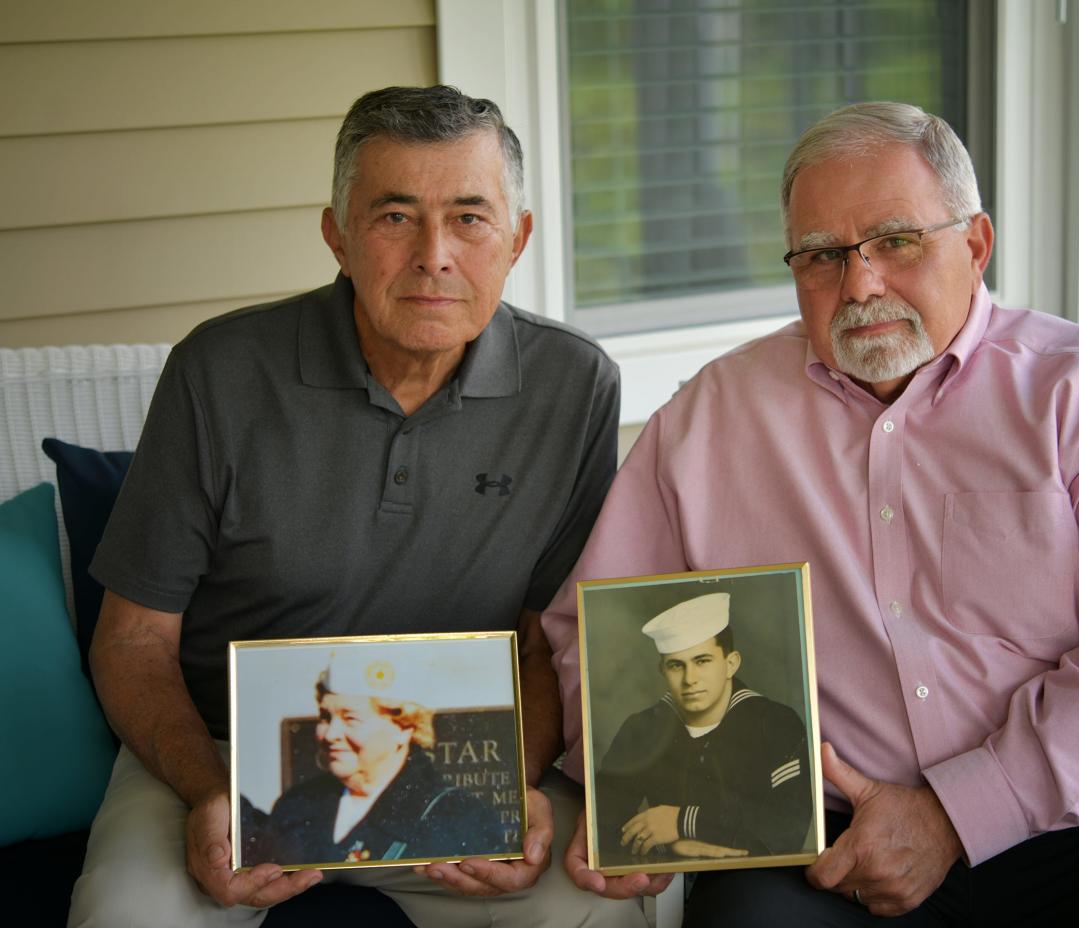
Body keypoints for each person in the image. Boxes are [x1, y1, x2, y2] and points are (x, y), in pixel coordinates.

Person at [542, 101, 1079, 926]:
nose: (861, 283)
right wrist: (636, 793)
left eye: (898, 241)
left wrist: (956, 814)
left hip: (1072, 818)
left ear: (975, 244)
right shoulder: (708, 419)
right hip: (820, 841)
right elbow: (598, 637)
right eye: (821, 256)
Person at [71, 85, 645, 928]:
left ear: (517, 238)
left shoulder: (576, 385)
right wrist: (209, 792)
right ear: (337, 235)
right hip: (223, 755)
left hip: (458, 761)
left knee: (586, 910)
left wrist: (509, 787)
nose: (435, 255)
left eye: (470, 218)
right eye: (395, 217)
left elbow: (542, 641)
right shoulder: (218, 373)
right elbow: (131, 639)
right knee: (130, 917)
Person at [593, 592, 813, 868]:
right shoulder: (642, 728)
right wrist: (671, 848)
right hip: (662, 886)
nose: (690, 679)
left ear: (730, 664)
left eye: (702, 661)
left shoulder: (775, 723)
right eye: (676, 665)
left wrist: (683, 822)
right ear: (662, 670)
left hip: (760, 883)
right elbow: (600, 827)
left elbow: (785, 830)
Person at [246, 651, 506, 867]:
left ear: (403, 728)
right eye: (326, 717)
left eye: (351, 718)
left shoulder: (457, 817)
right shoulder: (297, 803)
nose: (331, 734)